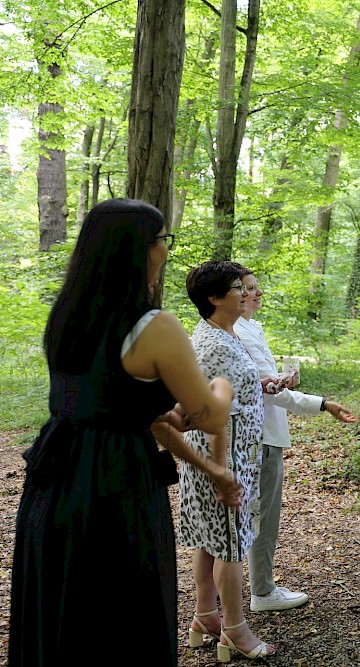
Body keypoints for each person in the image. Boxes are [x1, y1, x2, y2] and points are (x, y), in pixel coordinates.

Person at [8, 199, 237, 667]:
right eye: (162, 241)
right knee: (122, 612)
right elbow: (209, 417)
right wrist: (223, 385)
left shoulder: (67, 319)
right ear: (141, 249)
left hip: (53, 478)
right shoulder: (154, 326)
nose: (166, 252)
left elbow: (117, 402)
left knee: (61, 612)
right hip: (114, 484)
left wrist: (187, 440)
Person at [235, 271, 357, 611]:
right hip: (260, 437)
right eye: (248, 288)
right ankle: (262, 590)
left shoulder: (249, 328)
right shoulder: (238, 333)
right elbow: (269, 392)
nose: (258, 292)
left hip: (261, 433)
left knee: (257, 515)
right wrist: (322, 403)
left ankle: (250, 589)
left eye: (256, 286)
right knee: (263, 516)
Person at [179, 260, 276, 662]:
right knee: (232, 546)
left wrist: (264, 384)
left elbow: (237, 392)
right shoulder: (215, 345)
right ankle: (235, 629)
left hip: (229, 457)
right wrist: (224, 475)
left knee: (210, 539)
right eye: (236, 287)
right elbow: (217, 418)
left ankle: (205, 616)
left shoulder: (225, 334)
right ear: (214, 298)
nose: (245, 292)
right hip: (224, 457)